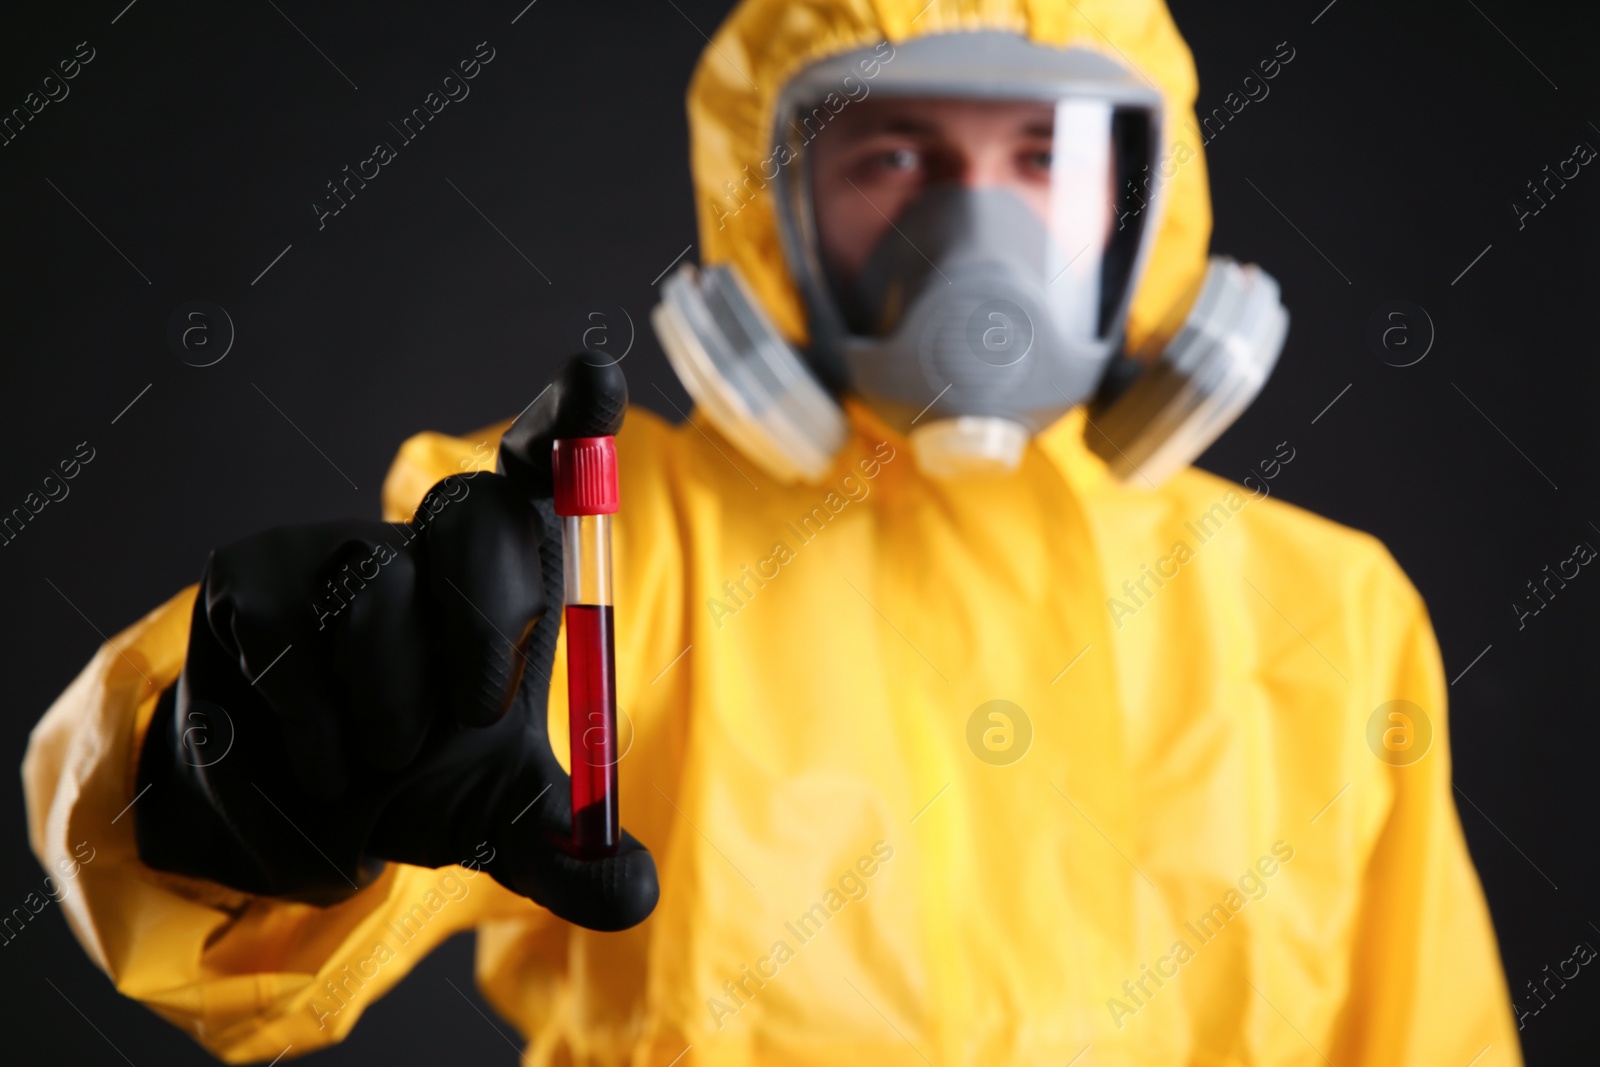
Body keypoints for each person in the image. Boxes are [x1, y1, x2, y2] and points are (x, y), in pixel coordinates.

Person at [24, 0, 1522, 1063]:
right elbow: (278, 868)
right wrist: (234, 791)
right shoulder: (615, 555)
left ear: (1152, 198)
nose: (977, 233)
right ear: (771, 206)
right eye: (890, 157)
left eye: (1045, 157)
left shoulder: (1322, 616)